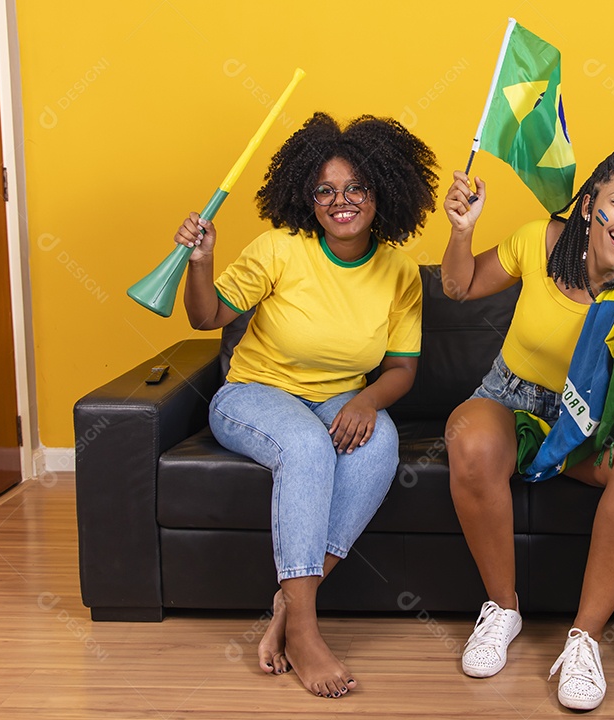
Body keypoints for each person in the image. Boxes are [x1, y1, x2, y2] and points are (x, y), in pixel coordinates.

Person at [173, 113, 439, 698]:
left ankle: (288, 606)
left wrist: (367, 401)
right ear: (306, 198)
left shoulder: (400, 272)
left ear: (382, 193)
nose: (341, 201)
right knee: (306, 445)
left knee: (381, 442)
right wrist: (200, 261)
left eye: (356, 188)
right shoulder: (279, 248)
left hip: (340, 395)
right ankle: (306, 632)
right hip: (254, 394)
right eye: (325, 190)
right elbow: (205, 317)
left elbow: (401, 370)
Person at [441, 149, 614, 711]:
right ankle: (502, 611)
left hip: (585, 424)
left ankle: (585, 640)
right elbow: (458, 287)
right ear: (588, 205)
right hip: (511, 401)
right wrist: (461, 231)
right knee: (468, 437)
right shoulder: (538, 241)